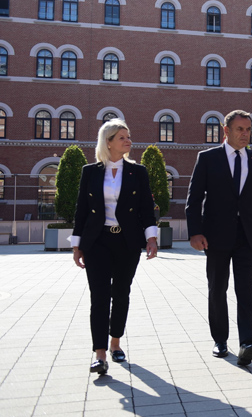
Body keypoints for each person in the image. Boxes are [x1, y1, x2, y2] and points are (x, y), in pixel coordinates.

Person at [186, 110, 252, 367]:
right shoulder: (207, 158)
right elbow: (193, 199)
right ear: (226, 130)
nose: (246, 134)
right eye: (240, 129)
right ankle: (220, 339)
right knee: (218, 288)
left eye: (249, 129)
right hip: (215, 236)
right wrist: (195, 232)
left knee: (246, 288)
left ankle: (247, 342)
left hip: (248, 235)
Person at [71, 119, 159, 375]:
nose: (128, 140)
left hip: (127, 242)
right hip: (97, 241)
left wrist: (151, 238)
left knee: (121, 293)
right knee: (99, 297)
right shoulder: (90, 171)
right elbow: (82, 211)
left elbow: (145, 209)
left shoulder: (137, 171)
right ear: (108, 142)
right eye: (122, 137)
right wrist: (77, 246)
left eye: (128, 136)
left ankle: (115, 343)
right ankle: (99, 353)